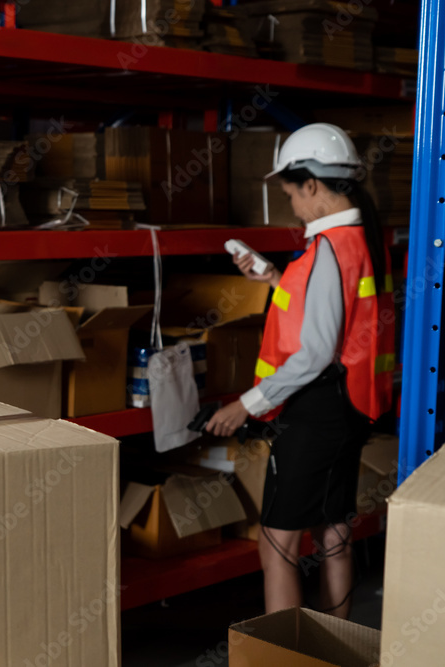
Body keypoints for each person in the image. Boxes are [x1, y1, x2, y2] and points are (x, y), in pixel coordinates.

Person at [206, 122, 394, 619]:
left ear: (312, 185)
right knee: (333, 534)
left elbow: (314, 353)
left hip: (316, 411)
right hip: (350, 404)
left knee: (277, 546)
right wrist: (271, 275)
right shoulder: (361, 239)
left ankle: (282, 657)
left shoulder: (330, 249)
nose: (291, 205)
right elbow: (338, 313)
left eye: (291, 193)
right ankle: (336, 644)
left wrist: (244, 404)